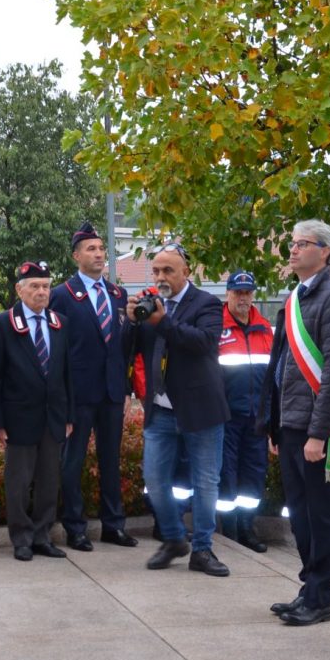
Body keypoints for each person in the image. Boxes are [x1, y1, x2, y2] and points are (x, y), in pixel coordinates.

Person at [263, 220, 330, 625]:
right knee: (300, 513)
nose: (293, 249)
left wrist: (319, 434)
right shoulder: (295, 298)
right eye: (293, 242)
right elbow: (279, 366)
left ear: (326, 252)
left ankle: (322, 595)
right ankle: (309, 587)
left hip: (315, 430)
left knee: (320, 514)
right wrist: (273, 423)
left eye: (303, 243)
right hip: (291, 425)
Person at [125, 243, 232, 576]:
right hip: (160, 409)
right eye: (156, 271)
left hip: (202, 410)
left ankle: (202, 549)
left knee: (205, 482)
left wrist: (163, 321)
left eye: (168, 270)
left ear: (186, 272)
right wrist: (131, 321)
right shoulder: (150, 304)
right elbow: (127, 349)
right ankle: (173, 538)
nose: (161, 277)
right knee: (154, 479)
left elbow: (204, 342)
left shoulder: (207, 303)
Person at [49, 222, 138, 551]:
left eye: (101, 249)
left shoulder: (117, 294)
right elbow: (56, 350)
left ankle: (114, 525)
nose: (99, 254)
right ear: (76, 256)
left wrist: (126, 388)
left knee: (110, 461)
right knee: (72, 462)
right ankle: (75, 528)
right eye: (91, 249)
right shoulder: (61, 295)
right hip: (78, 394)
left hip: (112, 391)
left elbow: (123, 346)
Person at [0, 261, 74, 561]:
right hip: (18, 418)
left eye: (46, 286)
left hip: (53, 417)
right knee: (19, 483)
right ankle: (22, 539)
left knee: (49, 482)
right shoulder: (2, 324)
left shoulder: (60, 323)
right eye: (35, 286)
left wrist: (69, 416)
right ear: (19, 289)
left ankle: (42, 536)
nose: (42, 292)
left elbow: (67, 373)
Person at [216, 271, 275, 552]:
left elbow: (273, 378)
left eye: (247, 292)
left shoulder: (264, 328)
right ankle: (228, 530)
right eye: (238, 292)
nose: (243, 297)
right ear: (228, 293)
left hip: (257, 418)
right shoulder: (217, 328)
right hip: (227, 417)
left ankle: (246, 528)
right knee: (226, 473)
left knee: (254, 473)